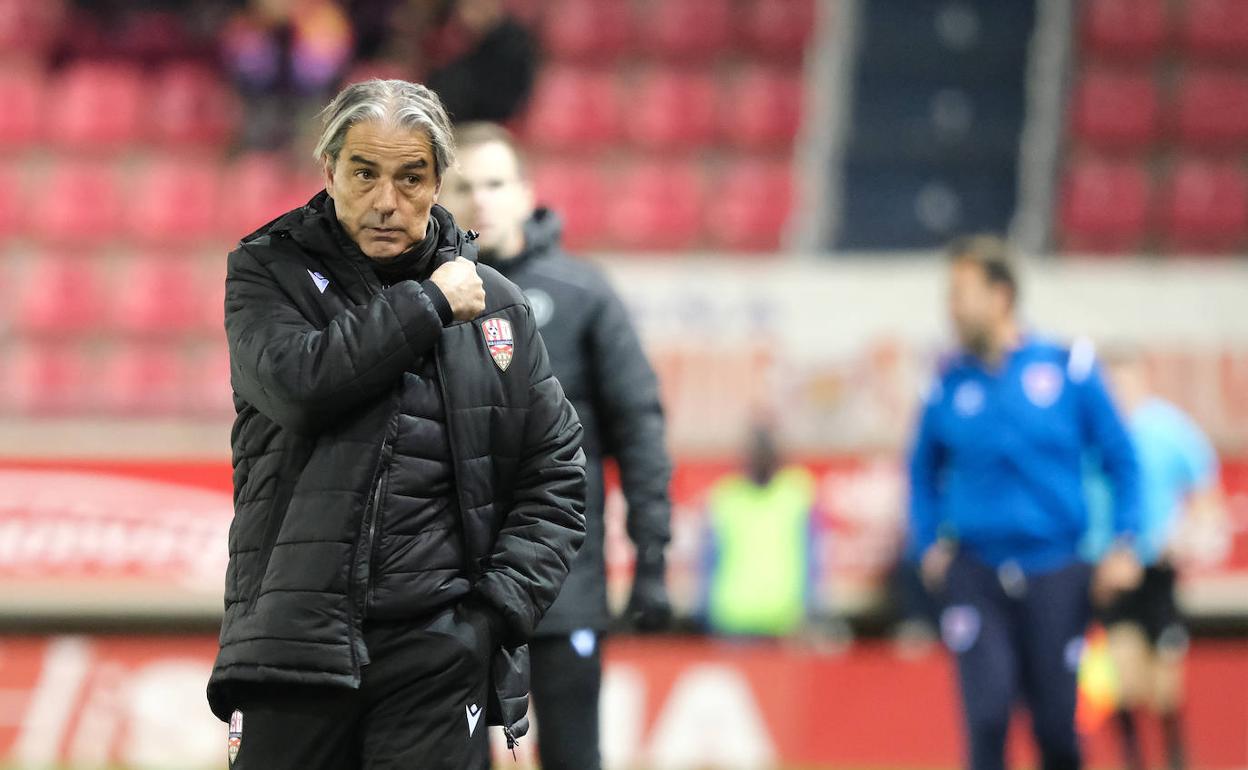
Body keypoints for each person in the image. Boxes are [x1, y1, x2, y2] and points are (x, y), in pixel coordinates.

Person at [206, 80, 587, 770]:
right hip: (291, 650)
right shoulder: (267, 271)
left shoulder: (498, 309)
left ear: (440, 180)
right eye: (364, 174)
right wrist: (430, 304)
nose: (386, 201)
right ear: (329, 171)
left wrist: (493, 614)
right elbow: (299, 387)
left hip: (437, 653)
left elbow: (556, 474)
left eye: (411, 178)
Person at [437, 122, 672, 770]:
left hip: (562, 580)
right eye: (464, 185)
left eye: (495, 182)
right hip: (455, 585)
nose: (481, 199)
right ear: (441, 196)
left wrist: (652, 555)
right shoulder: (421, 302)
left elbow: (640, 427)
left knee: (573, 756)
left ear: (526, 192)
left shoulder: (584, 294)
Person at [908, 235, 1143, 770]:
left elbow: (1121, 460)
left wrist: (1124, 543)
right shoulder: (946, 383)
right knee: (986, 717)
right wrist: (927, 544)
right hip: (976, 573)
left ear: (1001, 295)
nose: (951, 307)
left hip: (1057, 571)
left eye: (961, 292)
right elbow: (921, 471)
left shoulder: (1068, 369)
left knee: (1057, 726)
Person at [1094, 347, 1227, 770]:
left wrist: (1183, 535)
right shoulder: (1092, 432)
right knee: (1122, 676)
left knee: (1165, 683)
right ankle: (1133, 759)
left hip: (1156, 569)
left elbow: (1206, 490)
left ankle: (1174, 755)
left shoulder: (1167, 429)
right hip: (1111, 571)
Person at [700, 424, 819, 638]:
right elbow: (709, 560)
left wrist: (809, 607)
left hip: (783, 620)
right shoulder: (727, 496)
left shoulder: (796, 492)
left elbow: (811, 556)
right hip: (735, 620)